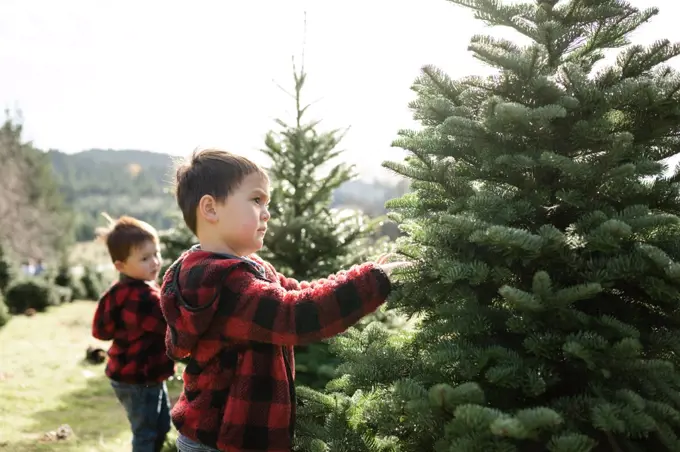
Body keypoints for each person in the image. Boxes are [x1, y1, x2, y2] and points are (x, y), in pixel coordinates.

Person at [160, 148, 412, 452]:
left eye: (268, 203)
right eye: (256, 200)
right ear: (211, 209)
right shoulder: (228, 283)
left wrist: (365, 273)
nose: (267, 213)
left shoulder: (248, 268)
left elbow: (296, 291)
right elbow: (295, 314)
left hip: (224, 436)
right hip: (223, 441)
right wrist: (373, 282)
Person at [92, 215, 175, 452]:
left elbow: (100, 330)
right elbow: (171, 325)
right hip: (139, 378)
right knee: (147, 433)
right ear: (120, 265)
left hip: (134, 375)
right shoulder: (145, 298)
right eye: (145, 258)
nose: (155, 262)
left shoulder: (115, 293)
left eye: (156, 254)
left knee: (160, 426)